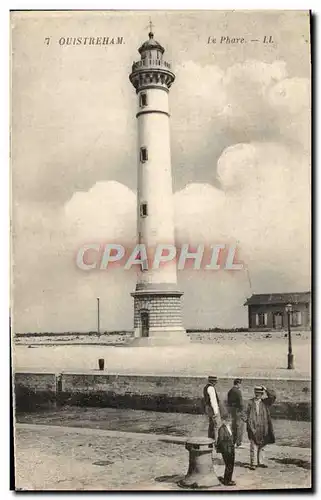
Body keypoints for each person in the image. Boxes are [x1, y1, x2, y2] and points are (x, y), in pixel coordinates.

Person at [246, 385, 276, 470]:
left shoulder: (265, 402)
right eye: (256, 393)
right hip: (253, 426)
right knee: (253, 445)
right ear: (254, 393)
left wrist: (266, 389)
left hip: (263, 427)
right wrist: (248, 424)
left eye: (259, 393)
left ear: (262, 394)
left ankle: (261, 462)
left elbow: (273, 396)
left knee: (263, 445)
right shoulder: (250, 402)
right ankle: (253, 463)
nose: (257, 394)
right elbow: (244, 414)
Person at [216, 412, 236, 486]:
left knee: (231, 464)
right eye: (228, 420)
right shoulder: (222, 429)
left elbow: (232, 437)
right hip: (226, 449)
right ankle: (227, 481)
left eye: (230, 420)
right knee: (228, 464)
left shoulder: (229, 427)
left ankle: (228, 479)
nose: (229, 422)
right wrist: (226, 449)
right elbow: (221, 440)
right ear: (223, 421)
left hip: (231, 448)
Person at [203, 375, 222, 445]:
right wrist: (216, 412)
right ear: (213, 382)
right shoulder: (211, 388)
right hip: (213, 409)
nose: (216, 383)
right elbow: (213, 401)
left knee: (211, 425)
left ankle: (210, 440)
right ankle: (216, 442)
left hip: (208, 408)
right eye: (215, 381)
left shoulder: (206, 387)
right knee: (217, 426)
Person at [227, 378, 244, 448]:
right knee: (240, 426)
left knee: (233, 426)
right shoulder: (238, 391)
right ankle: (238, 443)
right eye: (240, 384)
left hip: (232, 410)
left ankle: (233, 441)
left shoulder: (230, 391)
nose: (240, 385)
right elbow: (241, 403)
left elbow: (228, 402)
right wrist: (242, 410)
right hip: (238, 410)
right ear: (238, 383)